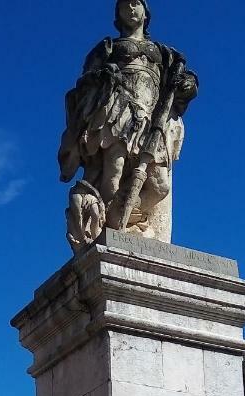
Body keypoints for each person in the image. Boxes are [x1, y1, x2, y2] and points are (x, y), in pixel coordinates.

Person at [59, 0, 198, 251]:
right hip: (118, 114)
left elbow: (186, 82)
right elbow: (83, 86)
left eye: (135, 4)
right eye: (125, 5)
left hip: (153, 121)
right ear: (118, 15)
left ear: (146, 13)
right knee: (113, 177)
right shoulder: (108, 48)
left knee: (159, 185)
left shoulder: (163, 52)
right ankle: (113, 228)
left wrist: (187, 85)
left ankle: (131, 217)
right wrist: (102, 76)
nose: (130, 9)